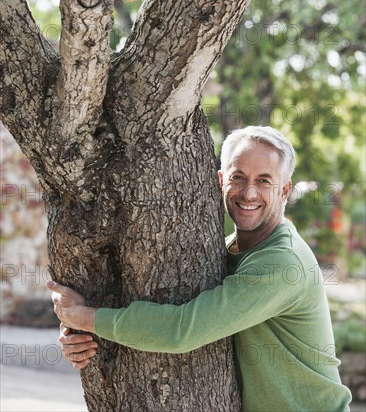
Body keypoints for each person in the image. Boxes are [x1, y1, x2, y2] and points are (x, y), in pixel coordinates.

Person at [48, 126, 352, 411]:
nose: (248, 193)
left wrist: (82, 317)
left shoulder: (282, 262)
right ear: (221, 180)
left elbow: (182, 329)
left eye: (263, 180)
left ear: (284, 190)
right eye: (238, 177)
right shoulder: (226, 249)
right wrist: (81, 334)